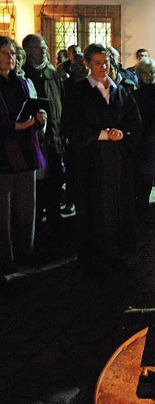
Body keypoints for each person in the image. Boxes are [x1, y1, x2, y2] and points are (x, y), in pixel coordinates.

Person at [61, 43, 141, 274]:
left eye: (106, 62)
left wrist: (123, 134)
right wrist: (103, 134)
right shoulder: (78, 92)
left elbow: (134, 122)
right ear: (86, 63)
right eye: (97, 63)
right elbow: (71, 127)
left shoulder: (120, 90)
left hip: (117, 161)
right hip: (91, 162)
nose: (103, 67)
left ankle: (116, 252)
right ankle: (93, 256)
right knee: (94, 207)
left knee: (117, 205)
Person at [0, 36, 47, 277]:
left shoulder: (20, 83)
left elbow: (27, 107)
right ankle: (6, 259)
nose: (11, 58)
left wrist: (37, 117)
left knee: (26, 208)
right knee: (4, 212)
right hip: (4, 157)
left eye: (12, 53)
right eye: (5, 53)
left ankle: (25, 252)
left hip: (26, 153)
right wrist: (12, 127)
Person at [22, 34, 65, 228]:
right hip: (32, 137)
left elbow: (61, 101)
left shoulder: (51, 72)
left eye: (45, 48)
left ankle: (55, 217)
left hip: (54, 135)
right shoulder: (24, 74)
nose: (44, 52)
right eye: (39, 48)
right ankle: (36, 221)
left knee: (55, 179)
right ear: (28, 51)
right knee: (37, 184)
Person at [132, 58, 155, 218]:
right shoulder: (133, 96)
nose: (150, 76)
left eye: (152, 72)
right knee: (143, 185)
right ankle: (142, 215)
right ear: (139, 74)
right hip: (143, 147)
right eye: (145, 73)